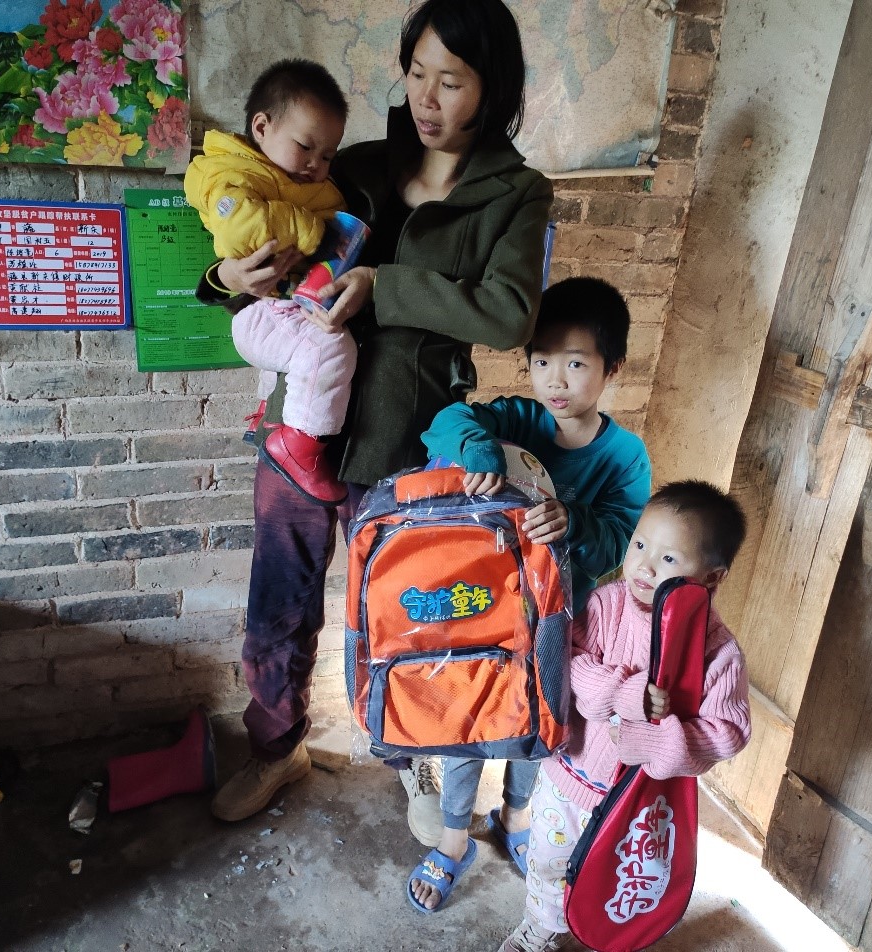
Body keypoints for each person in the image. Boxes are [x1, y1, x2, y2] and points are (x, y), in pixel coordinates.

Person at [198, 0, 555, 838]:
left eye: (451, 81)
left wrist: (386, 287)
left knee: (409, 610)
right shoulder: (353, 164)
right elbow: (262, 247)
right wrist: (226, 278)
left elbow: (511, 314)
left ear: (493, 87)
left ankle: (414, 758)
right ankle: (275, 748)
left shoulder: (515, 194)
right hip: (303, 429)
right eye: (417, 74)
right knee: (278, 604)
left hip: (408, 436)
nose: (426, 98)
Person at [407, 276, 651, 912]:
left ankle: (515, 818)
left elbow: (622, 541)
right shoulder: (519, 418)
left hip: (558, 620)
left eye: (576, 363)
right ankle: (454, 839)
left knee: (539, 722)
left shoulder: (626, 457)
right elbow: (448, 419)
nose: (555, 380)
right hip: (485, 610)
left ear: (613, 368)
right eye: (542, 362)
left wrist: (575, 522)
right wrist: (480, 451)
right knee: (469, 717)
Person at [496, 480, 753, 952]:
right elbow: (567, 661)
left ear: (712, 578)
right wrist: (620, 692)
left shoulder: (717, 652)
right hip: (569, 778)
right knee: (549, 864)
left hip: (641, 801)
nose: (645, 565)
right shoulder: (606, 604)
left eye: (669, 558)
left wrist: (654, 741)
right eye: (639, 545)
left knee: (616, 876)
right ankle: (541, 927)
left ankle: (604, 932)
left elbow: (728, 732)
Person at [183, 59, 355, 505]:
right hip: (260, 312)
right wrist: (309, 228)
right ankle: (298, 448)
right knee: (329, 345)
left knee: (316, 345)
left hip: (284, 310)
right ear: (262, 127)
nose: (316, 164)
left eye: (328, 156)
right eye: (306, 147)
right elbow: (239, 231)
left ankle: (276, 420)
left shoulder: (302, 184)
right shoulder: (231, 173)